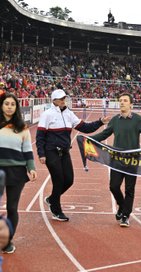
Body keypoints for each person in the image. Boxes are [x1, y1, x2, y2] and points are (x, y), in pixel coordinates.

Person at [90, 93, 141, 227]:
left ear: (131, 105)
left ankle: (125, 215)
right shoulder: (115, 120)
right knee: (113, 186)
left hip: (132, 160)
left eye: (125, 101)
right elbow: (104, 134)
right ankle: (122, 206)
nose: (122, 103)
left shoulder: (138, 120)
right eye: (120, 100)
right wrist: (90, 140)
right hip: (117, 159)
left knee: (129, 189)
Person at [36, 89, 109, 222]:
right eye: (61, 98)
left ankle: (52, 199)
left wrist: (100, 122)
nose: (64, 100)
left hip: (64, 152)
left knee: (69, 180)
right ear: (54, 101)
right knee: (58, 180)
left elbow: (85, 128)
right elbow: (40, 136)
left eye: (65, 98)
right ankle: (56, 210)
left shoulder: (69, 114)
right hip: (51, 152)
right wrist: (41, 153)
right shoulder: (47, 114)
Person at [0, 92, 37, 253]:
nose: (9, 107)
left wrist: (31, 167)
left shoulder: (22, 127)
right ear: (2, 105)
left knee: (12, 208)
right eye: (7, 103)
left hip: (16, 172)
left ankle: (7, 240)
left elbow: (27, 150)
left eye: (12, 104)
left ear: (16, 108)